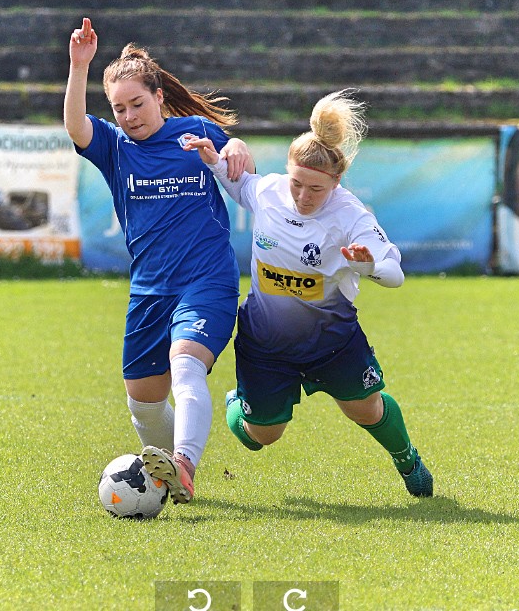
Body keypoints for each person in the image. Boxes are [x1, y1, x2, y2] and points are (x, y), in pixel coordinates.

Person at [184, 90, 433, 497]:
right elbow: (241, 185)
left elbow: (394, 274)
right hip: (266, 341)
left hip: (330, 339)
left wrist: (369, 266)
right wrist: (215, 161)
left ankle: (408, 460)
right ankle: (242, 403)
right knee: (262, 436)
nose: (303, 196)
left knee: (365, 409)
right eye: (297, 183)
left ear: (336, 182)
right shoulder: (269, 192)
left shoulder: (351, 215)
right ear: (287, 172)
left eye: (316, 189)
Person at [63, 17, 255, 505]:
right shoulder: (114, 147)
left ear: (159, 98)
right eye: (119, 108)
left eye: (138, 104)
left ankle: (184, 464)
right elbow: (76, 126)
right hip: (150, 290)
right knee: (144, 404)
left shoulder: (196, 132)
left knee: (185, 364)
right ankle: (170, 471)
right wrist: (79, 66)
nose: (129, 116)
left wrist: (237, 148)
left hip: (207, 281)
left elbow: (238, 163)